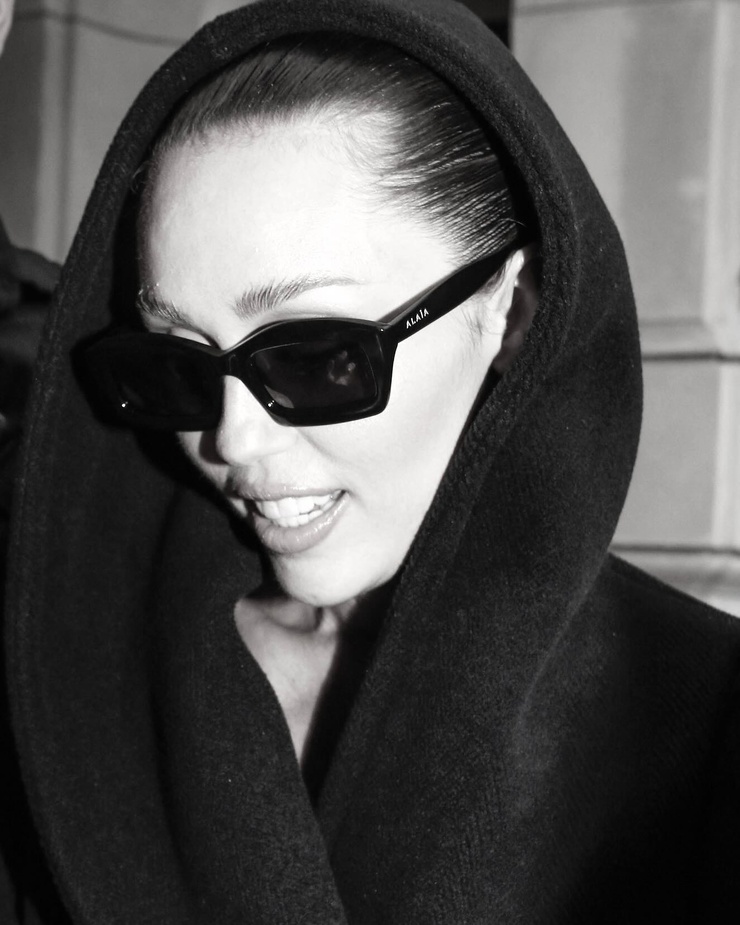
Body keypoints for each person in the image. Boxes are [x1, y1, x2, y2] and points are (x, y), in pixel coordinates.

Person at [2, 1, 739, 922]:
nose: (233, 440)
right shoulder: (56, 691)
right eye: (177, 366)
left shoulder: (704, 727)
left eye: (316, 357)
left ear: (512, 313)